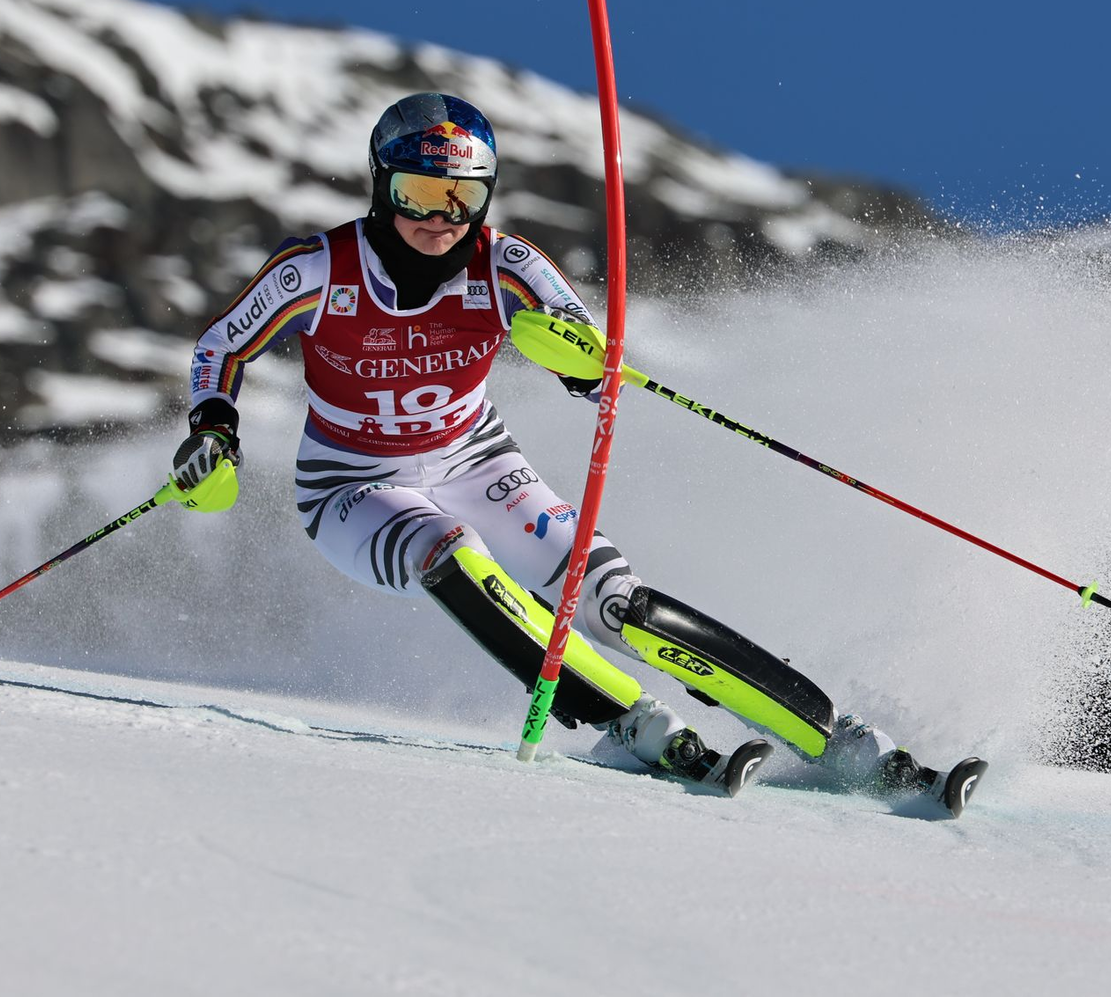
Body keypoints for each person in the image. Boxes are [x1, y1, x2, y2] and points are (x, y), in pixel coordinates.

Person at [172, 92, 982, 809]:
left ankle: (840, 741)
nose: (439, 218)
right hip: (352, 485)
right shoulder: (318, 268)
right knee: (446, 552)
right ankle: (624, 722)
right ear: (380, 186)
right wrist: (215, 429)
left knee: (613, 600)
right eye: (418, 193)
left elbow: (596, 364)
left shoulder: (507, 265)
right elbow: (223, 346)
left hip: (476, 460)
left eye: (462, 198)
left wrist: (579, 359)